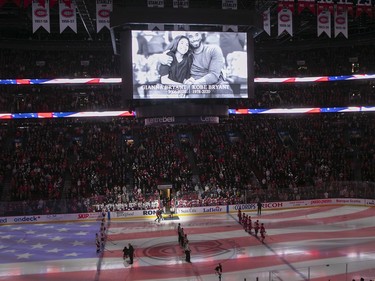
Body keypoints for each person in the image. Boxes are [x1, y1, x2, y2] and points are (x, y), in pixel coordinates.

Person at [161, 31, 234, 97]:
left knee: (224, 91)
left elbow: (214, 75)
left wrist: (194, 83)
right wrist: (161, 57)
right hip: (195, 85)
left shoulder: (213, 49)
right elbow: (173, 52)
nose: (194, 39)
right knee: (193, 98)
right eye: (190, 36)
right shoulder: (186, 53)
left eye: (196, 35)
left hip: (215, 83)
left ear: (201, 35)